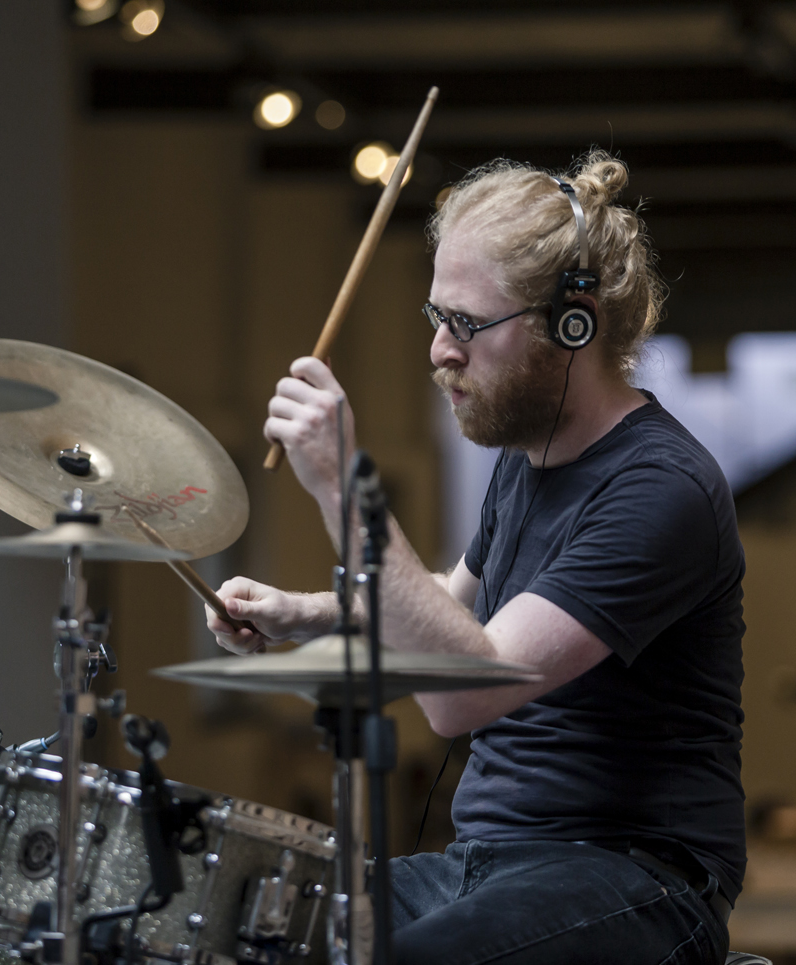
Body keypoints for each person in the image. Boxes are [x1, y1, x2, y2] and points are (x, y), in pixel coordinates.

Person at [207, 150, 746, 965]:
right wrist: (300, 613)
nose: (438, 351)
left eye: (465, 323)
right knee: (256, 926)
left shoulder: (661, 490)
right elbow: (447, 611)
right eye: (436, 316)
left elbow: (464, 690)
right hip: (488, 864)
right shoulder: (527, 462)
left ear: (572, 323)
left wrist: (346, 488)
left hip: (637, 881)